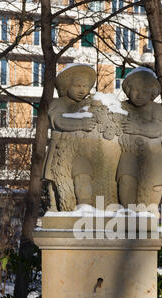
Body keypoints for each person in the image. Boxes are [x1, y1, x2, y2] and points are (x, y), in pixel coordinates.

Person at [42, 63, 96, 211]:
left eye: (85, 86)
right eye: (77, 85)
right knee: (53, 176)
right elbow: (58, 121)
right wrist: (81, 123)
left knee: (83, 175)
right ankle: (54, 206)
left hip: (81, 150)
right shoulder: (58, 103)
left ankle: (84, 205)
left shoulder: (87, 105)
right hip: (59, 148)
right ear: (66, 86)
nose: (82, 90)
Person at [117, 67, 162, 215]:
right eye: (136, 90)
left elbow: (160, 128)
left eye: (145, 91)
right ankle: (128, 208)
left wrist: (137, 127)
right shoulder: (122, 107)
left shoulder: (156, 109)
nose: (140, 95)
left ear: (152, 93)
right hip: (128, 151)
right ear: (128, 90)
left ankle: (152, 206)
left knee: (155, 181)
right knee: (126, 177)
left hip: (152, 152)